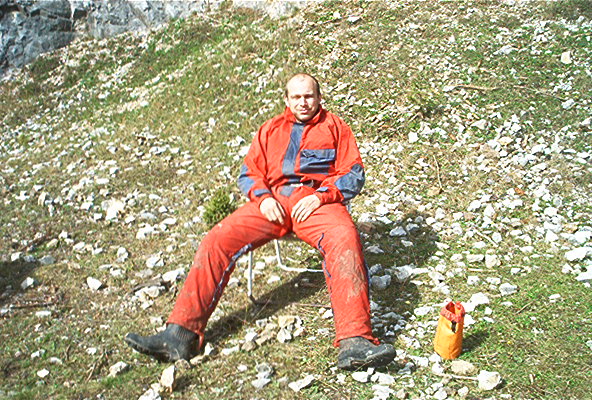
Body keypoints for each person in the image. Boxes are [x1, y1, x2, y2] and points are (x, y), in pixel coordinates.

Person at [125, 73, 396, 370]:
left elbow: (353, 173)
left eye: (309, 96)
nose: (303, 102)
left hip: (315, 202)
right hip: (273, 202)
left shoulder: (335, 127)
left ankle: (355, 341)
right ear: (286, 100)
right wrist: (264, 198)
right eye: (296, 97)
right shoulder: (270, 129)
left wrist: (322, 196)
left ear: (319, 98)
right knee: (217, 239)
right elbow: (249, 173)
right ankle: (180, 335)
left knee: (344, 237)